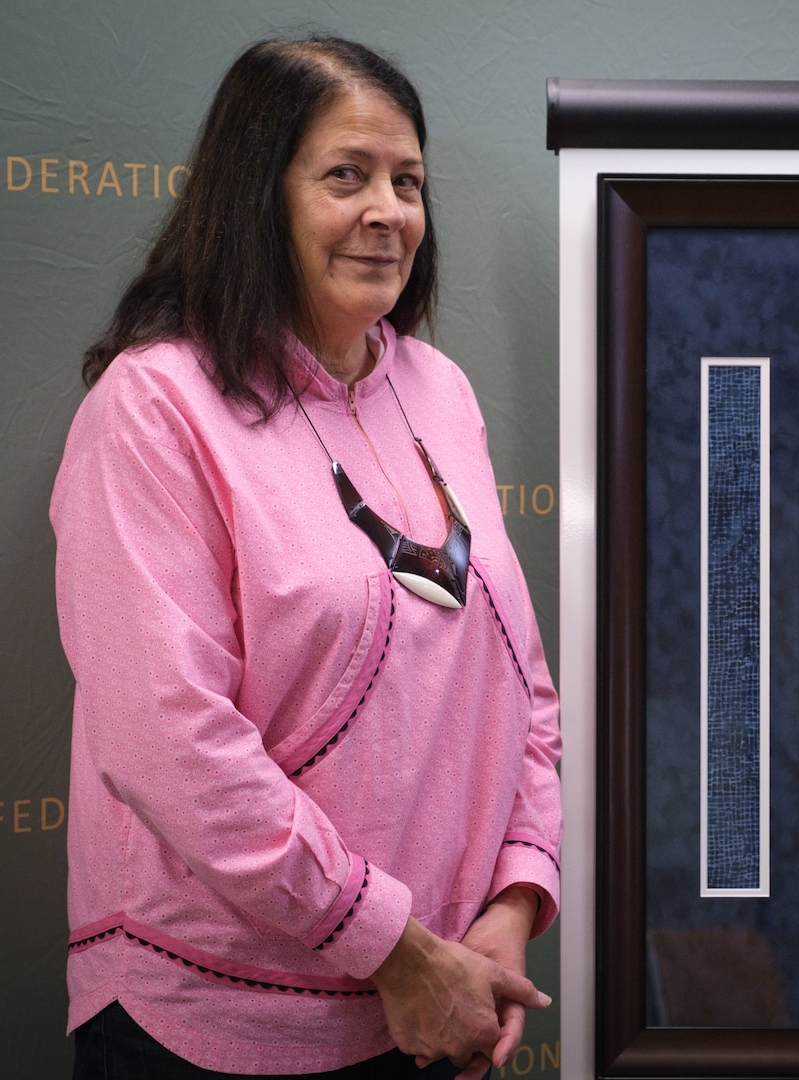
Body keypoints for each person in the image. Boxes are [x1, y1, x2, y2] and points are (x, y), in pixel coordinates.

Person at [51, 37, 561, 1078]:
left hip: (438, 996)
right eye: (346, 175)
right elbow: (171, 744)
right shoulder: (153, 410)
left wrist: (512, 902)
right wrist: (391, 945)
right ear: (255, 198)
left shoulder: (438, 389)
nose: (389, 210)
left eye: (407, 180)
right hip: (214, 1027)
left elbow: (519, 682)